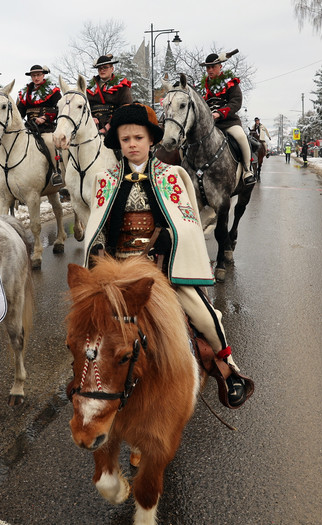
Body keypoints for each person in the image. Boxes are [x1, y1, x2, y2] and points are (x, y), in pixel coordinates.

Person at [83, 103, 252, 408]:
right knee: (85, 322)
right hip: (117, 266)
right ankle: (86, 382)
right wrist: (96, 248)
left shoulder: (172, 176)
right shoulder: (105, 180)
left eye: (138, 138)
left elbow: (187, 223)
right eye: (125, 139)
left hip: (162, 267)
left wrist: (171, 241)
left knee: (204, 315)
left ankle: (229, 371)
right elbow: (97, 222)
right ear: (118, 143)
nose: (132, 144)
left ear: (151, 141)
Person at [200, 51, 256, 186]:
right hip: (210, 124)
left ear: (220, 67)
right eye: (208, 67)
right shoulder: (204, 85)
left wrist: (219, 113)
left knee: (241, 137)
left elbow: (236, 102)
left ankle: (247, 170)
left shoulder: (231, 83)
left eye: (213, 67)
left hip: (229, 122)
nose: (210, 70)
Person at [17, 64, 63, 186]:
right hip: (29, 128)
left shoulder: (53, 90)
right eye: (33, 75)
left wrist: (45, 117)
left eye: (38, 75)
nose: (36, 77)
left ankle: (56, 172)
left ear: (43, 75)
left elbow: (60, 108)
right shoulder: (24, 93)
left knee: (49, 142)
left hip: (46, 128)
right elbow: (19, 113)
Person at [86, 54, 133, 134]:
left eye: (105, 67)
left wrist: (109, 125)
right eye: (100, 68)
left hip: (116, 126)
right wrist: (91, 118)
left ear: (112, 68)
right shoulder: (89, 88)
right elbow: (85, 106)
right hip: (91, 126)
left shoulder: (122, 86)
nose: (102, 70)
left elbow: (126, 107)